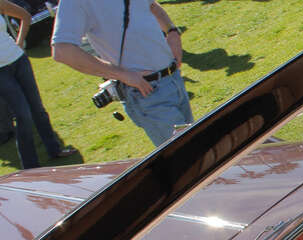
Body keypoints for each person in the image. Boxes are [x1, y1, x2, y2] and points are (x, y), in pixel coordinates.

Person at [51, 0, 193, 146]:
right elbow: (63, 51)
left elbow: (151, 5)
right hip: (147, 92)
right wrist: (122, 74)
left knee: (198, 144)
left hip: (173, 79)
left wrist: (172, 31)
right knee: (187, 154)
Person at [0, 0, 76, 169]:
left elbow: (25, 17)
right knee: (23, 115)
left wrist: (19, 43)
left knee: (37, 109)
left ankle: (54, 149)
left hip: (19, 61)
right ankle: (30, 166)